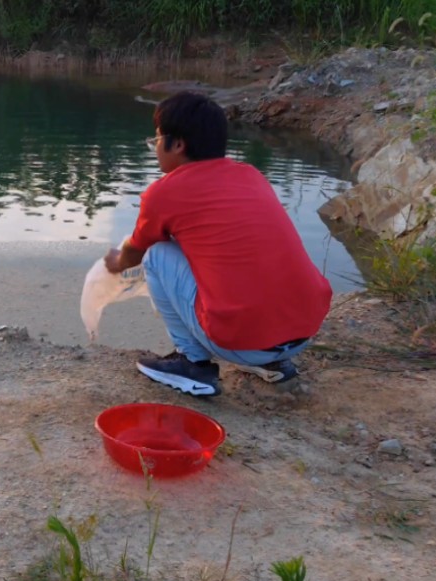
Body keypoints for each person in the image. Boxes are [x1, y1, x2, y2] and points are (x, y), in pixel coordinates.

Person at [104, 91, 332, 397]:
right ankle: (276, 363)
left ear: (178, 143)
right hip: (304, 331)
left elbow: (135, 253)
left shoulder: (165, 193)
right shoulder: (250, 176)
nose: (155, 147)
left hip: (242, 344)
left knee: (158, 255)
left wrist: (115, 261)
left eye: (157, 139)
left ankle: (193, 365)